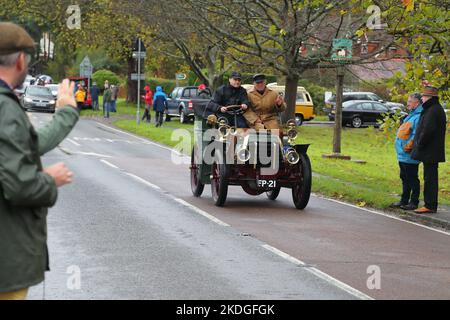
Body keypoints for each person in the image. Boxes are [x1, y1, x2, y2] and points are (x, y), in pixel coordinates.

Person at [0, 22, 79, 300]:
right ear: (21, 60)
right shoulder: (5, 108)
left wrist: (65, 115)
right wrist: (49, 179)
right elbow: (20, 186)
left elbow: (23, 146)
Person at [411, 86, 447, 214]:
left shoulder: (432, 110)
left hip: (430, 151)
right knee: (430, 177)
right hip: (431, 151)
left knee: (430, 179)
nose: (422, 98)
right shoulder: (434, 109)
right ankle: (429, 204)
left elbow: (427, 130)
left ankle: (430, 205)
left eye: (424, 96)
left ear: (430, 98)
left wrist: (419, 144)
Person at [391, 93, 423, 210]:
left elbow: (416, 134)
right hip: (402, 155)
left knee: (412, 178)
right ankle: (404, 200)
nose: (407, 103)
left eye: (410, 101)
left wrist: (408, 146)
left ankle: (414, 202)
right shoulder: (411, 115)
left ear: (417, 103)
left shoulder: (419, 116)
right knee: (404, 177)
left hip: (409, 154)